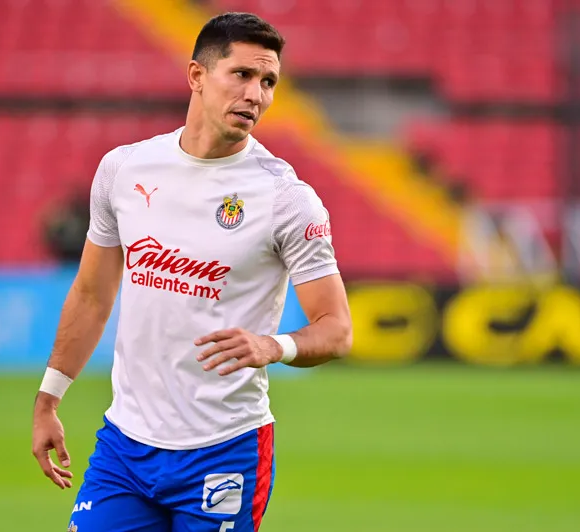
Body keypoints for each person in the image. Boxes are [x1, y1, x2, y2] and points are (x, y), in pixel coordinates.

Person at [31, 12, 353, 532]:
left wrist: (276, 346)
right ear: (197, 77)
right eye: (242, 75)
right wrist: (49, 396)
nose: (257, 94)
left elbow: (337, 330)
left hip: (224, 452)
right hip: (125, 448)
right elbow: (92, 294)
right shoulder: (123, 170)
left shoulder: (288, 200)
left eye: (268, 81)